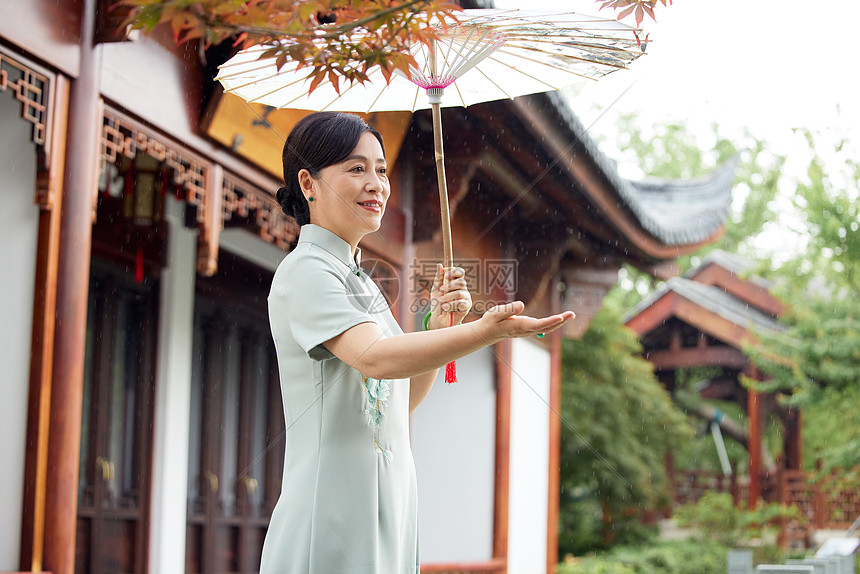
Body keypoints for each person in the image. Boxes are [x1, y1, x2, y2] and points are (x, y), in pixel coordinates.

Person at [261, 111, 575, 573]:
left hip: (387, 504)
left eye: (382, 170)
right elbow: (377, 360)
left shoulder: (360, 282)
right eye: (356, 168)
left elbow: (398, 397)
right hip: (331, 511)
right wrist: (482, 332)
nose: (377, 184)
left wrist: (439, 329)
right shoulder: (307, 270)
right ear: (308, 183)